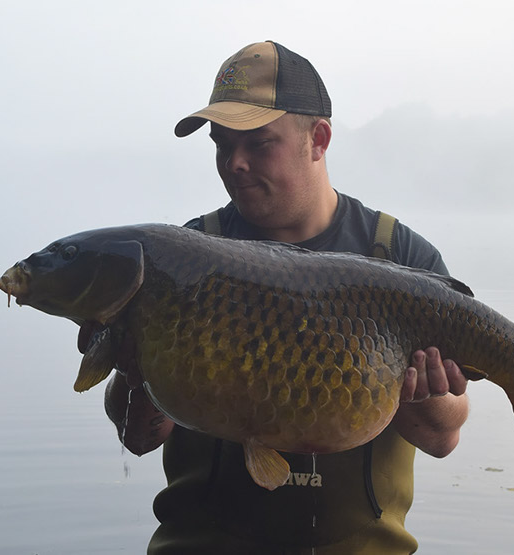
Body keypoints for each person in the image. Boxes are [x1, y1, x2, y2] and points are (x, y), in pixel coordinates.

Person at [99, 41, 469, 554]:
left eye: (258, 144)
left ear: (318, 139)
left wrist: (424, 393)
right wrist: (135, 369)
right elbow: (137, 439)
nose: (235, 164)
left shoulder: (399, 258)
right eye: (222, 145)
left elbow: (442, 440)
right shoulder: (183, 255)